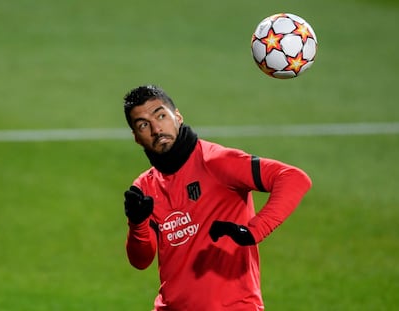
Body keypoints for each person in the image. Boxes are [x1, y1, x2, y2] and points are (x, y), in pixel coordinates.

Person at [122, 85, 312, 311]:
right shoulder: (144, 187)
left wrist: (254, 230)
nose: (156, 129)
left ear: (178, 116)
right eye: (143, 124)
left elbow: (293, 178)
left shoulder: (216, 161)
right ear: (136, 137)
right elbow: (141, 261)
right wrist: (137, 224)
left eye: (161, 116)